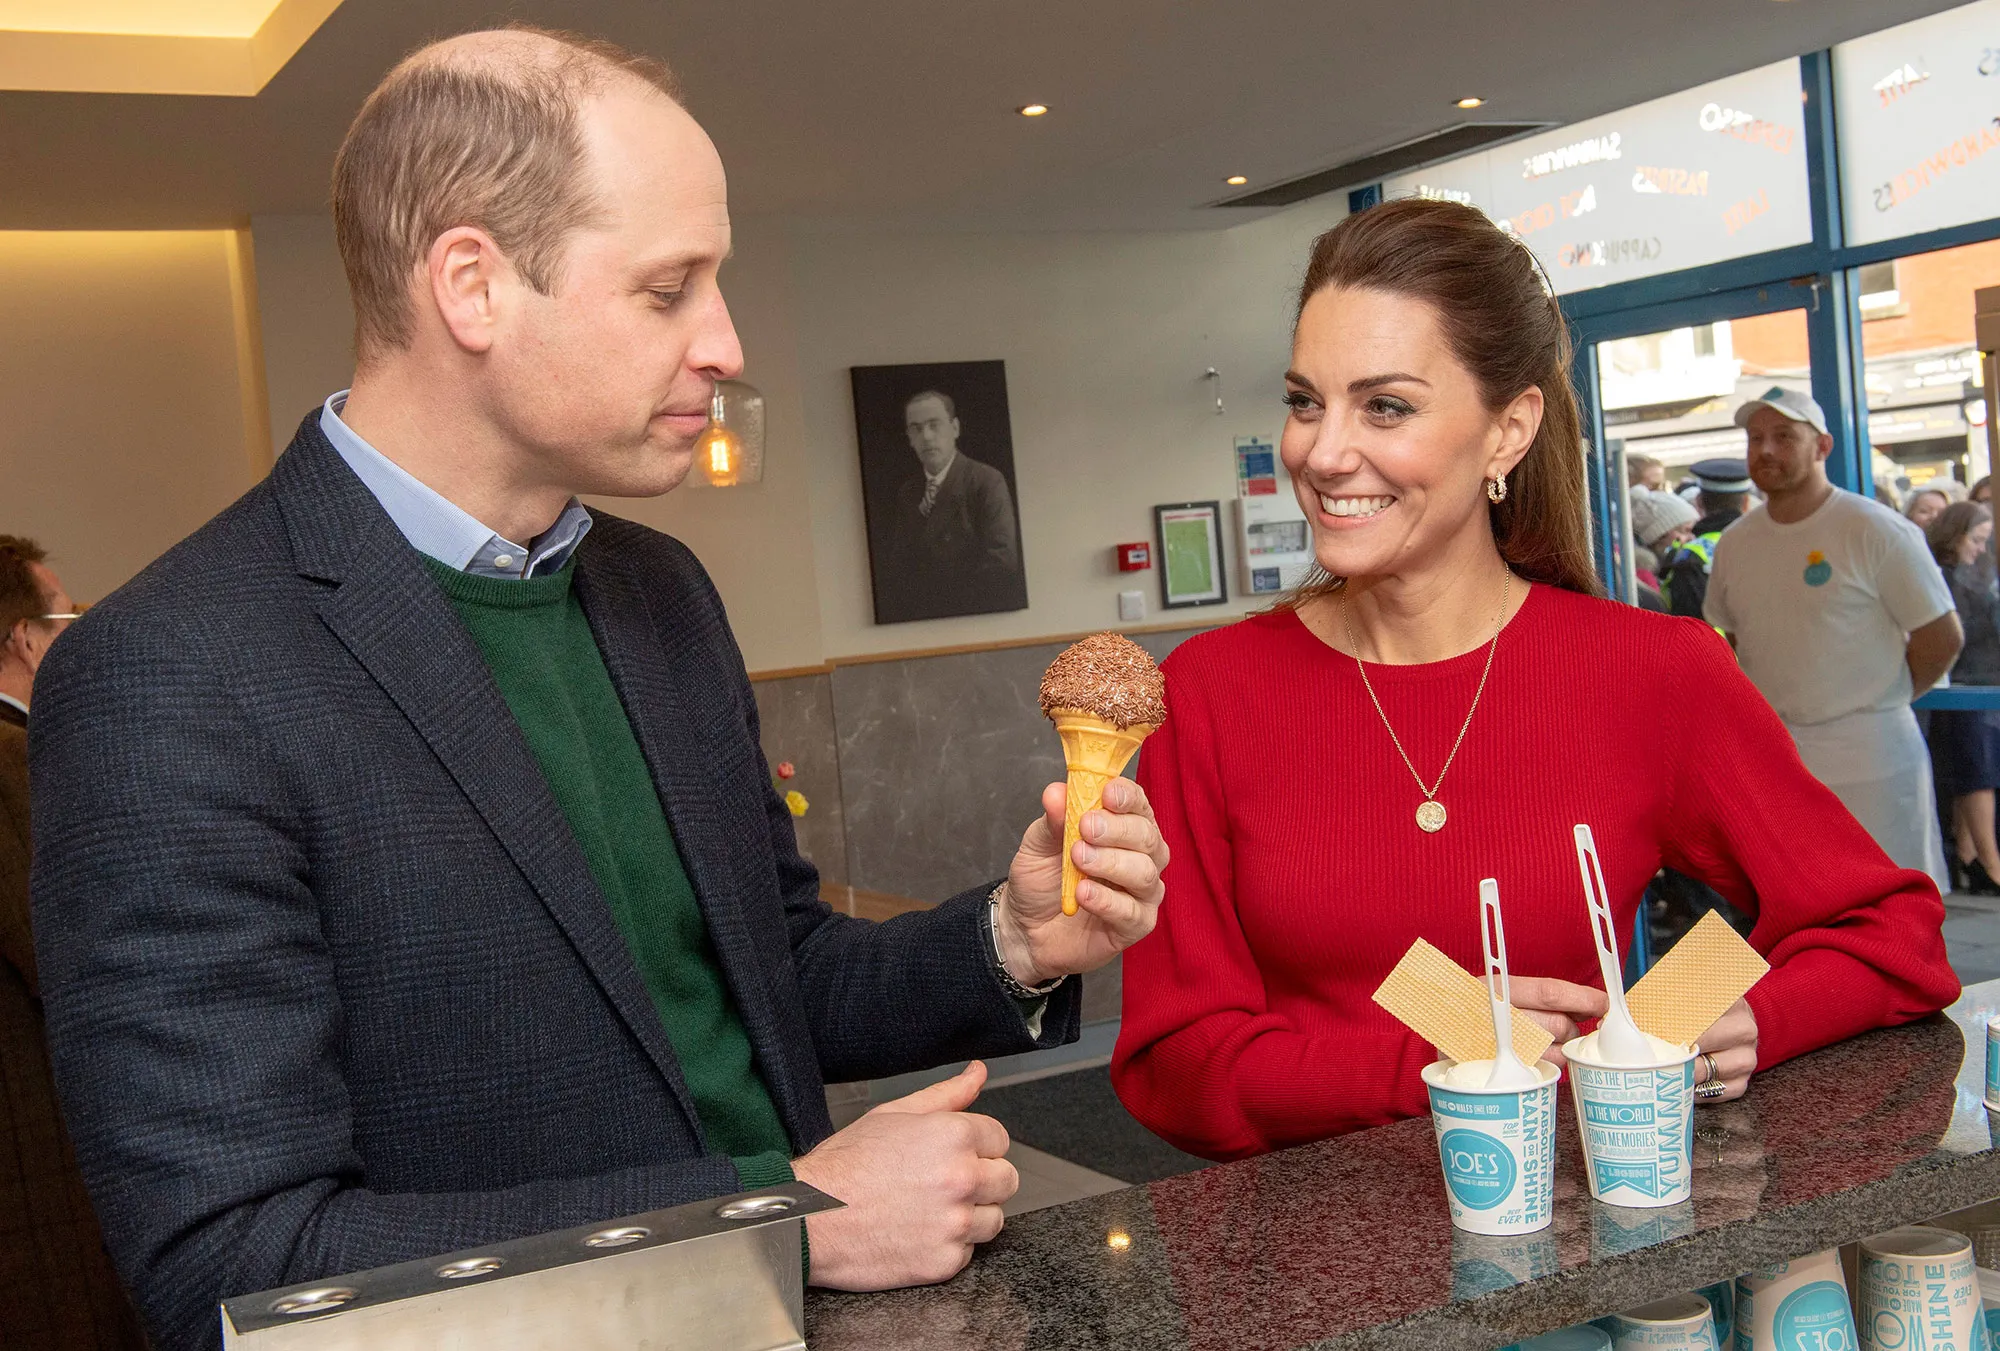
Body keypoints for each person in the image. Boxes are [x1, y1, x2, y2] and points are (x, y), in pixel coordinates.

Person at [28, 30, 1170, 1351]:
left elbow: (769, 968)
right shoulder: (168, 671)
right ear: (473, 284)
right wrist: (775, 1219)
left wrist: (1009, 939)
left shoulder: (659, 591)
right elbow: (237, 1260)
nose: (725, 344)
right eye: (668, 288)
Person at [1108, 198, 1954, 1161]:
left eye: (1384, 405)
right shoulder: (1211, 691)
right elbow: (1175, 1062)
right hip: (1300, 1275)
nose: (1321, 451)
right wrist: (1427, 1055)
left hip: (1581, 1248)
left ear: (1508, 431)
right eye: (1307, 400)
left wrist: (1735, 1017)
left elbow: (1891, 930)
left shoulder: (1647, 670)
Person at [1705, 387, 1963, 892]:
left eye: (1784, 436)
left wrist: (1877, 696)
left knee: (1896, 917)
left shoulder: (1875, 529)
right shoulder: (1736, 543)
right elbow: (1730, 639)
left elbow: (1941, 636)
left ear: (1822, 446)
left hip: (1874, 761)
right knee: (1802, 917)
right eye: (1755, 438)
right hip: (1781, 768)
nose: (1766, 451)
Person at [0, 539, 144, 1351]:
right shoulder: (16, 761)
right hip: (39, 1178)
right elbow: (78, 964)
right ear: (24, 638)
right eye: (68, 618)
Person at [888, 390, 1028, 619]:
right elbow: (900, 568)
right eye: (916, 428)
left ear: (955, 429)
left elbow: (1002, 562)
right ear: (909, 438)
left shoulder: (986, 481)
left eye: (935, 425)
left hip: (974, 615)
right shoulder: (908, 493)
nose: (927, 436)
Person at [1924, 502, 2000, 892]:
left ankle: (1971, 858)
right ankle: (1989, 864)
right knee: (1978, 774)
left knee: (1972, 774)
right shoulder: (1949, 580)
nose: (1981, 550)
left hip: (1967, 681)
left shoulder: (1962, 576)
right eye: (1977, 540)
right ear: (1955, 536)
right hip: (1965, 683)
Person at [1657, 457, 1751, 620]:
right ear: (1746, 503)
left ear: (1699, 502)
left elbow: (1689, 626)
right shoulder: (1769, 545)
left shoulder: (1690, 557)